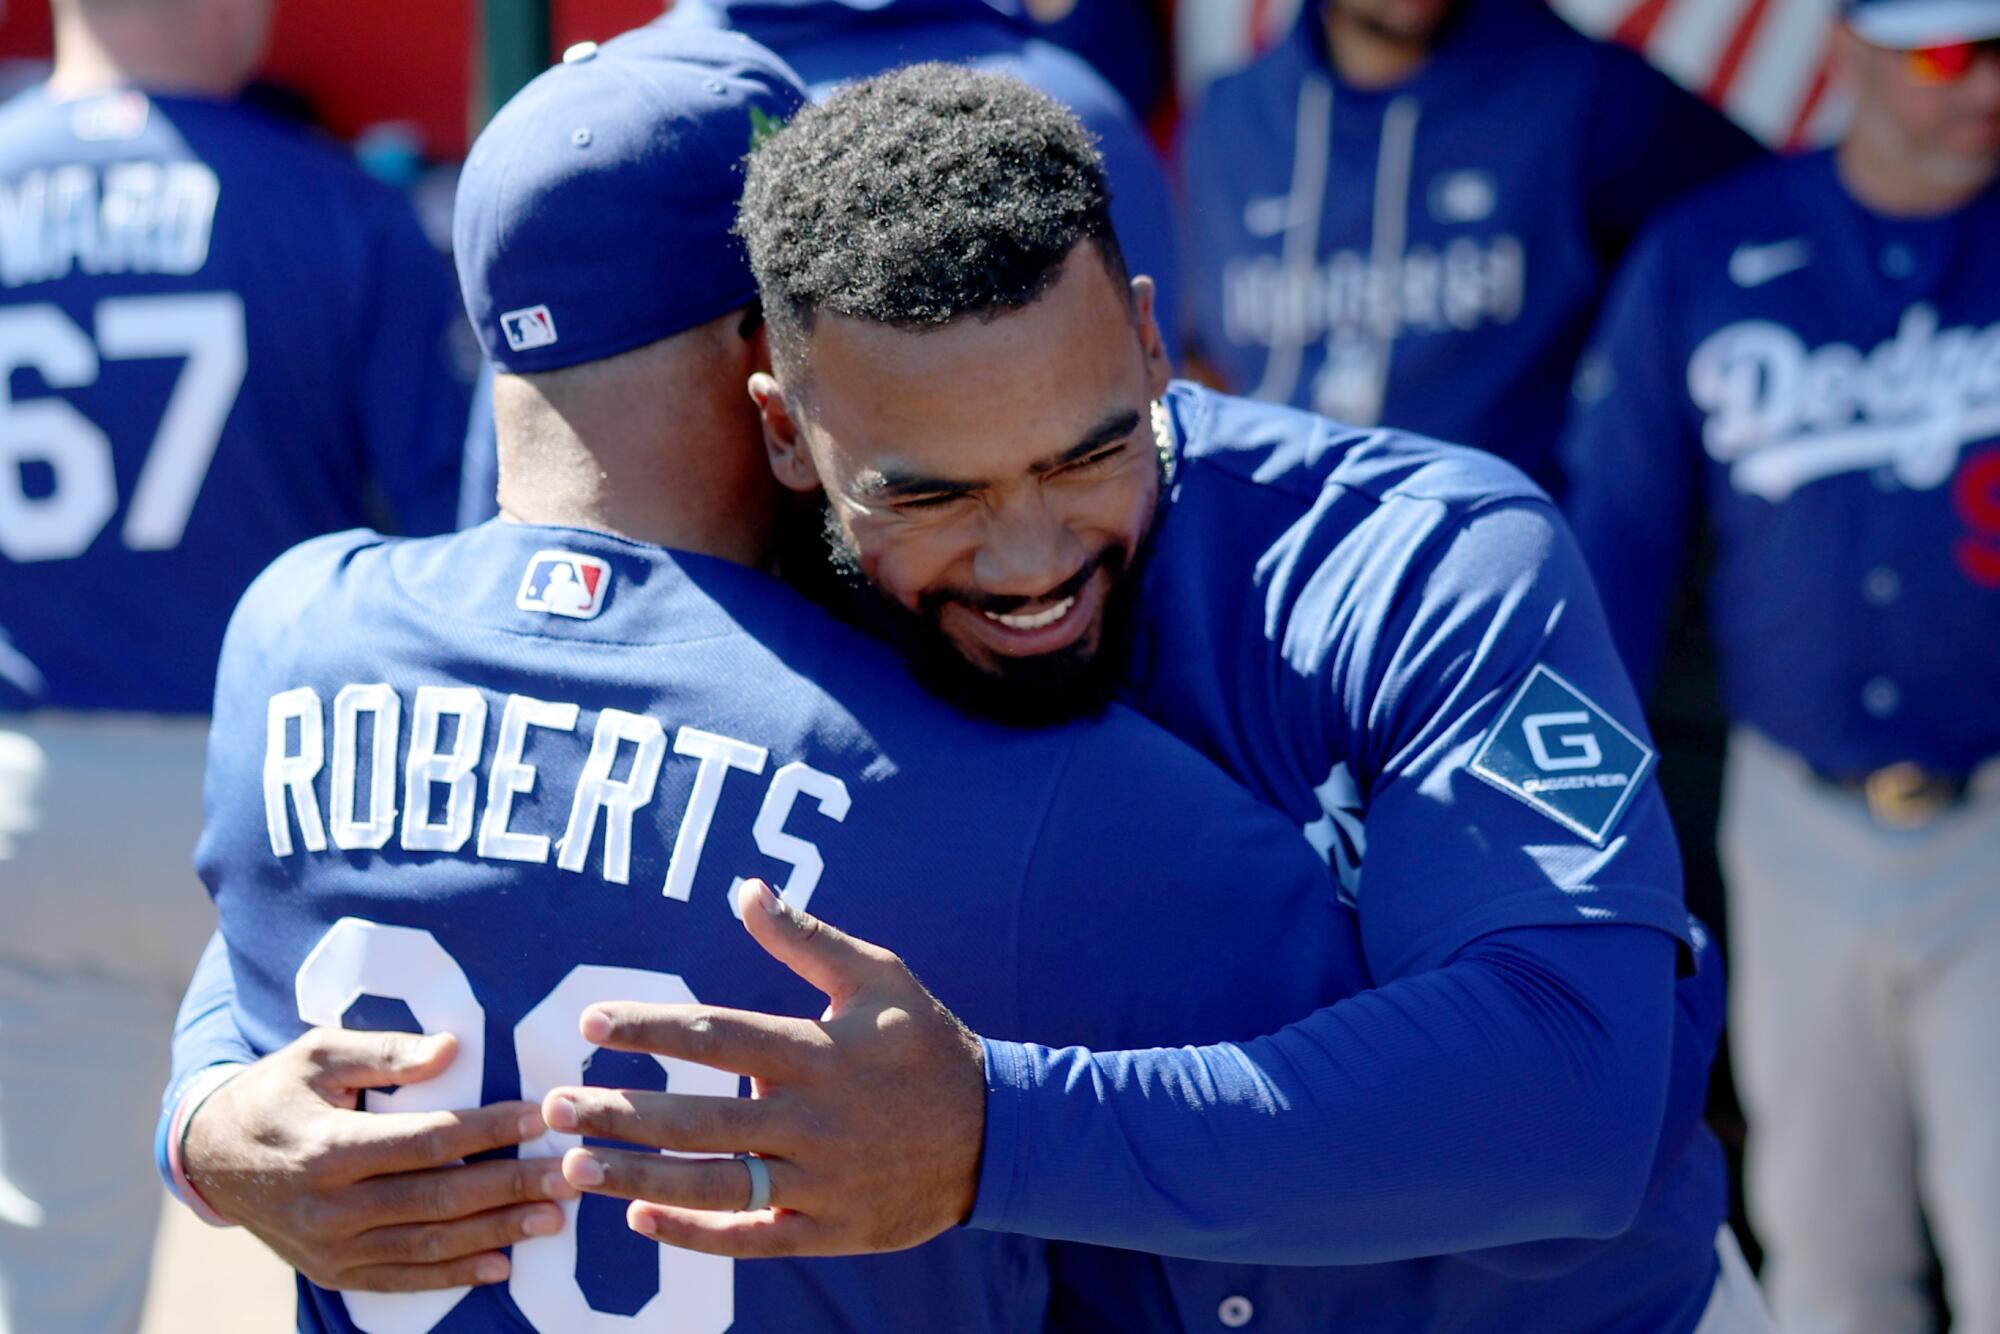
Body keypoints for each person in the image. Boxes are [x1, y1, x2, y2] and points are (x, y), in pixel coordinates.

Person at [156, 27, 1367, 1328]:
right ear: (775, 344)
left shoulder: (292, 630)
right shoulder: (974, 761)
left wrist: (199, 1118)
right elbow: (1439, 1093)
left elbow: (250, 947)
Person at [539, 65, 1768, 1331]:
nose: (1029, 562)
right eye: (931, 495)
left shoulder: (1425, 557)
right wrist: (327, 1125)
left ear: (1146, 338)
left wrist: (994, 1135)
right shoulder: (755, 625)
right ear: (788, 435)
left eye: (1087, 453)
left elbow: (1570, 1094)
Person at [0, 0, 467, 1324]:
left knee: (46, 1280)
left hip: (29, 790)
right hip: (279, 797)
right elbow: (445, 529)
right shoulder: (332, 205)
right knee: (370, 1251)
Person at [1559, 0, 2000, 1328]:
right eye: (1947, 53)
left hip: (1999, 820)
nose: (1984, 86)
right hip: (1793, 816)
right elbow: (1614, 553)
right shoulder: (1712, 251)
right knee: (1822, 1238)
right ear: (1852, 53)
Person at [1178, 0, 1761, 489]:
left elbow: (1778, 227)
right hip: (1274, 578)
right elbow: (1199, 359)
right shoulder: (1223, 120)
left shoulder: (1581, 93)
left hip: (1490, 575)